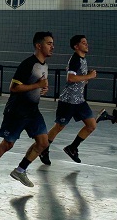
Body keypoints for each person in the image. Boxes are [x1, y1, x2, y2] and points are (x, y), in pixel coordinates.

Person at [0, 32, 54, 188]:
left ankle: (20, 170)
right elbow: (13, 88)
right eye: (49, 43)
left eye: (52, 43)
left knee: (43, 142)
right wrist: (37, 86)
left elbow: (36, 86)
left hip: (33, 111)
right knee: (8, 144)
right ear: (39, 45)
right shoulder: (28, 64)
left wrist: (41, 90)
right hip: (17, 110)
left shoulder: (44, 65)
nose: (52, 47)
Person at [41, 35, 98, 165]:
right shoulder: (75, 59)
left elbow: (78, 78)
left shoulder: (83, 59)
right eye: (83, 43)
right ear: (76, 46)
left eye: (86, 42)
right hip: (68, 100)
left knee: (91, 125)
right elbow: (70, 78)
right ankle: (43, 149)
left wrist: (85, 78)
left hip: (79, 100)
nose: (86, 45)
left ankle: (72, 148)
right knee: (59, 126)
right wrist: (89, 76)